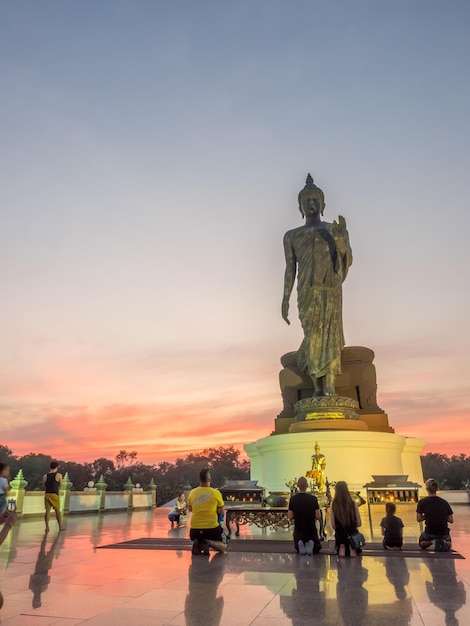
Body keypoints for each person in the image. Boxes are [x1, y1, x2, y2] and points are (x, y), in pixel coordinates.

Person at [282, 174, 352, 397]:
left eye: (315, 200)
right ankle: (315, 387)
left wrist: (341, 244)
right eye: (307, 201)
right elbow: (290, 268)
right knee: (312, 334)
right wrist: (285, 299)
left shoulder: (334, 229)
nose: (312, 204)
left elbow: (346, 259)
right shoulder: (292, 235)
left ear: (323, 204)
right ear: (300, 207)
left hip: (330, 289)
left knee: (330, 333)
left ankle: (329, 385)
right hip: (307, 291)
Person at [187, 469, 226, 555]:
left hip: (195, 530)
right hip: (212, 529)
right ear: (209, 480)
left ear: (199, 480)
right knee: (223, 546)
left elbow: (190, 509)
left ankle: (198, 543)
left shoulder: (192, 492)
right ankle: (209, 543)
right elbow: (221, 511)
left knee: (200, 537)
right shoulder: (216, 492)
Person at [288, 476, 322, 555]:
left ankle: (300, 543)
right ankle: (311, 543)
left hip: (299, 530)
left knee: (297, 546)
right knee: (317, 547)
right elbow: (318, 516)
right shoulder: (313, 499)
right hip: (311, 530)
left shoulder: (293, 499)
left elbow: (290, 516)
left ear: (297, 486)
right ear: (307, 486)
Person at [416, 478, 453, 551]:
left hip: (430, 531)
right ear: (437, 489)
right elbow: (451, 520)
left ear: (427, 489)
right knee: (449, 544)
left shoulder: (422, 502)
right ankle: (443, 541)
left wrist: (428, 516)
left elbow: (419, 519)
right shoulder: (444, 502)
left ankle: (433, 541)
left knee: (422, 543)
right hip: (444, 532)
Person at [330, 480, 362, 557]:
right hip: (352, 535)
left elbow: (333, 525)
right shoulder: (353, 503)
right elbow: (359, 523)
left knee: (341, 550)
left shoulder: (333, 504)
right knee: (353, 550)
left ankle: (342, 547)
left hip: (340, 535)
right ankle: (352, 549)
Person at [42, 462, 64, 532]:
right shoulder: (59, 475)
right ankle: (60, 527)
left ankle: (47, 527)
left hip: (47, 494)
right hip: (55, 494)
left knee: (47, 511)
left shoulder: (45, 476)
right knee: (57, 510)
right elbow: (60, 485)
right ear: (56, 467)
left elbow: (44, 486)